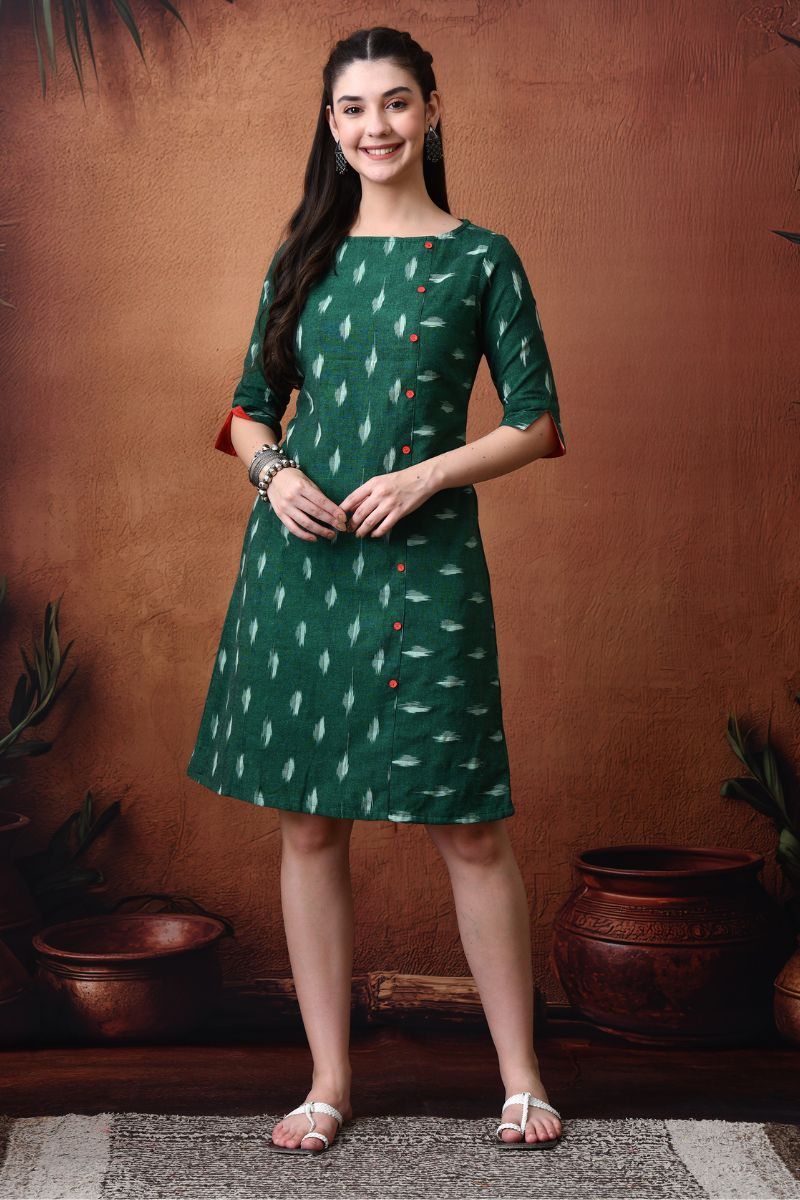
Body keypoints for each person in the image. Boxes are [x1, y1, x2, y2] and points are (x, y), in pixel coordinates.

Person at [186, 25, 567, 1155]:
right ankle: (327, 1083)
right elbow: (247, 405)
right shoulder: (302, 255)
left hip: (427, 556)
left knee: (469, 826)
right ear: (331, 124)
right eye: (353, 108)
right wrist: (274, 474)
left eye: (395, 102)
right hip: (301, 566)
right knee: (309, 827)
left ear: (431, 110)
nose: (375, 127)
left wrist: (428, 475)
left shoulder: (481, 257)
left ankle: (520, 1080)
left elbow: (537, 420)